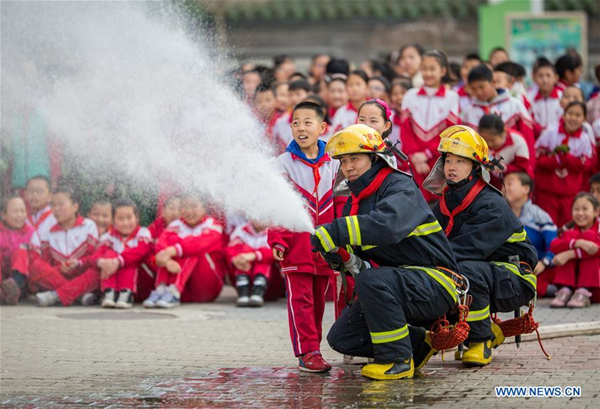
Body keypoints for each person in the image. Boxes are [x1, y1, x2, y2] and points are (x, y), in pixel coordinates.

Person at [315, 124, 460, 380]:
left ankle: (397, 360)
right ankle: (418, 345)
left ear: (374, 158)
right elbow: (358, 262)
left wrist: (336, 230)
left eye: (355, 158)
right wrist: (335, 253)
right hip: (402, 284)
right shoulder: (355, 201)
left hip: (437, 281)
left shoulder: (399, 187)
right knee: (342, 337)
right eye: (343, 160)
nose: (348, 166)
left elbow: (386, 226)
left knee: (371, 280)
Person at [423, 125, 538, 367]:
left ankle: (480, 340)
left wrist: (426, 261)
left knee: (461, 270)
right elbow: (431, 240)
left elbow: (466, 249)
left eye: (460, 161)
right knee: (444, 269)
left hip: (515, 278)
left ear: (476, 167)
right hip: (487, 273)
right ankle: (461, 332)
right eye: (448, 160)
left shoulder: (490, 203)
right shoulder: (447, 200)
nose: (452, 167)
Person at [267, 101, 339, 373]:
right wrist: (278, 239)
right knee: (301, 300)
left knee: (320, 300)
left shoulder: (335, 162)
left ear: (322, 128)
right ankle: (307, 351)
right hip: (296, 245)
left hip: (327, 247)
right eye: (295, 122)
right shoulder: (282, 164)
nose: (300, 127)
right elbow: (276, 206)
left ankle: (314, 349)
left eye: (308, 122)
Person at [143, 195, 225, 308]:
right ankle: (161, 290)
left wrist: (174, 250)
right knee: (174, 250)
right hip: (185, 290)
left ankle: (174, 291)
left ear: (204, 209)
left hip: (207, 287)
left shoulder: (213, 226)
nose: (190, 211)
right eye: (186, 206)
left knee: (190, 250)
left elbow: (198, 245)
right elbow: (161, 245)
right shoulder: (175, 226)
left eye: (194, 206)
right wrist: (167, 261)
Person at [400, 49, 460, 202]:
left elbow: (450, 132)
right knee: (415, 203)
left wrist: (427, 154)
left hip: (438, 161)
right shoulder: (410, 96)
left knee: (440, 204)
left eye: (432, 69)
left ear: (443, 71)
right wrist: (414, 156)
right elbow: (405, 129)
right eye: (424, 68)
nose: (428, 73)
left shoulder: (452, 97)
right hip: (414, 162)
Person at [30, 187, 100, 307]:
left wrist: (78, 263)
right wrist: (59, 268)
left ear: (75, 207)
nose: (56, 209)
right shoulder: (49, 232)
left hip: (83, 274)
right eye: (53, 205)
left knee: (97, 271)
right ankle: (78, 294)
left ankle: (57, 295)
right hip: (60, 276)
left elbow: (93, 257)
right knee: (35, 266)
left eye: (61, 204)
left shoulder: (89, 226)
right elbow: (47, 262)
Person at [534, 101, 596, 227]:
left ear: (584, 118)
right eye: (570, 113)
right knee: (546, 225)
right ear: (564, 115)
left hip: (570, 192)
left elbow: (587, 164)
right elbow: (538, 156)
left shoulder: (584, 139)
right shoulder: (551, 132)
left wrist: (567, 158)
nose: (573, 118)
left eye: (578, 115)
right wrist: (556, 159)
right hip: (548, 190)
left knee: (566, 226)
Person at [462, 64, 535, 164]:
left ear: (493, 82)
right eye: (474, 89)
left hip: (513, 165)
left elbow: (528, 137)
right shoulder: (469, 112)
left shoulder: (514, 105)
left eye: (481, 86)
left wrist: (529, 167)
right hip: (481, 168)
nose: (478, 92)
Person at [504, 172, 558, 297]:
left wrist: (545, 262)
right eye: (504, 183)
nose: (504, 187)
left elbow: (554, 245)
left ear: (526, 188)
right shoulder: (499, 214)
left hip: (538, 268)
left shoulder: (539, 215)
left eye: (510, 183)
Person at [96, 199, 153, 309]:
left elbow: (142, 250)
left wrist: (119, 260)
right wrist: (101, 262)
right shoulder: (108, 237)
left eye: (129, 218)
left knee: (129, 259)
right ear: (113, 221)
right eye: (120, 219)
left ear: (137, 218)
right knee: (108, 255)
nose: (125, 222)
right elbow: (97, 254)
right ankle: (109, 293)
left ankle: (126, 294)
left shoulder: (143, 232)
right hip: (115, 279)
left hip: (140, 283)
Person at [549, 193, 600, 308]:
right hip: (573, 288)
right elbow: (554, 245)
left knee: (590, 237)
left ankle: (583, 291)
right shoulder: (568, 229)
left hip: (595, 286)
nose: (580, 213)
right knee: (571, 236)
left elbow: (597, 249)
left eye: (585, 209)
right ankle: (565, 289)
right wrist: (577, 243)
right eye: (576, 209)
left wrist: (570, 254)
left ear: (596, 212)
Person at [226, 220, 273, 307]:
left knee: (264, 258)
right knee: (242, 251)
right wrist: (236, 259)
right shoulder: (241, 230)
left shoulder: (274, 230)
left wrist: (255, 255)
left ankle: (259, 289)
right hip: (244, 269)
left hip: (271, 283)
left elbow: (275, 253)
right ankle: (243, 289)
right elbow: (231, 249)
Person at [478, 114, 533, 187]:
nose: (489, 144)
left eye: (492, 140)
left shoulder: (517, 141)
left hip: (511, 185)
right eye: (485, 140)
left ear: (503, 132)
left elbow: (523, 169)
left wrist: (506, 168)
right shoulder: (479, 143)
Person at [0, 195, 33, 305]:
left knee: (21, 252)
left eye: (22, 211)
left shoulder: (30, 233)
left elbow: (36, 256)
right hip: (2, 275)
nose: (20, 215)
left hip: (21, 280)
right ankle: (3, 292)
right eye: (15, 211)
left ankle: (14, 288)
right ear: (3, 215)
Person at [272, 79, 311, 148]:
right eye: (290, 95)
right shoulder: (280, 122)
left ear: (309, 94)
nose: (293, 98)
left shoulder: (318, 119)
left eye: (298, 94)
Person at [530, 57, 563, 135]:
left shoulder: (562, 96)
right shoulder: (529, 97)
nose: (545, 80)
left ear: (556, 78)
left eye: (548, 76)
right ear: (534, 78)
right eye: (540, 76)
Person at [389, 77, 412, 147]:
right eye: (395, 94)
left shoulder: (417, 118)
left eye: (403, 93)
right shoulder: (389, 118)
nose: (399, 97)